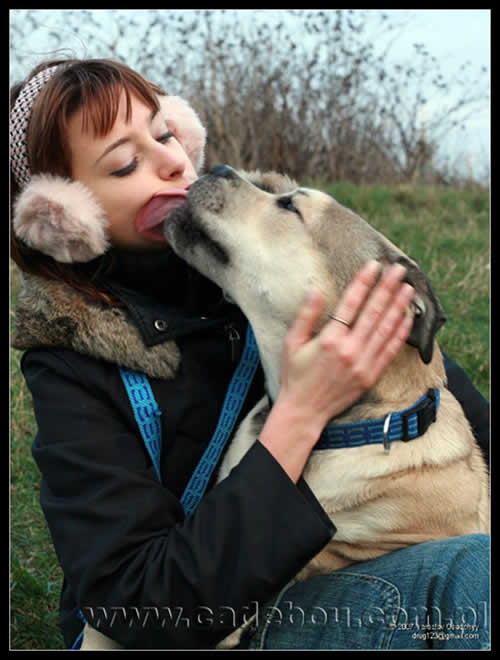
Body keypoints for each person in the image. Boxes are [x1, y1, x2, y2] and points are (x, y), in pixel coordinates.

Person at [10, 58, 490, 650]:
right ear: (61, 217)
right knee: (477, 579)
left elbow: (457, 409)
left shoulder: (265, 270)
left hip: (336, 594)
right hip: (194, 625)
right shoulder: (69, 365)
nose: (173, 162)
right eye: (126, 164)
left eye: (165, 134)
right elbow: (135, 604)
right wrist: (301, 413)